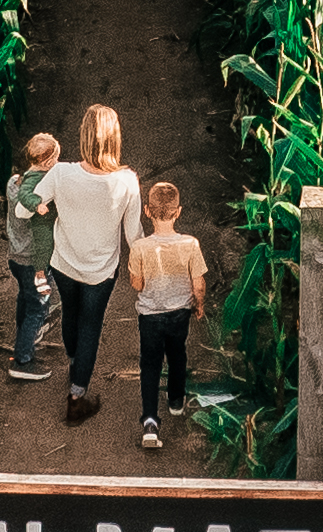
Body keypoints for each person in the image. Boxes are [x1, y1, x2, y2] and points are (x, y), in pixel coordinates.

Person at [43, 104, 141, 425]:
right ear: (115, 139)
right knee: (90, 326)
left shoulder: (60, 173)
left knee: (70, 315)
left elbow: (33, 202)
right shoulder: (127, 181)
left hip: (64, 265)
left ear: (84, 136)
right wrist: (143, 266)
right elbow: (133, 233)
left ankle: (75, 362)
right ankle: (76, 395)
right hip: (100, 273)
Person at [127, 179, 204, 451]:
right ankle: (175, 400)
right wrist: (199, 304)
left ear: (147, 211)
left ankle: (150, 422)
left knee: (149, 364)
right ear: (178, 211)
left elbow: (137, 284)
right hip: (179, 313)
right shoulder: (191, 245)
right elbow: (199, 284)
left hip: (149, 315)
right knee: (177, 354)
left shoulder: (139, 248)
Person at [0, 132, 59, 384]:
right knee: (38, 306)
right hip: (33, 260)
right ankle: (22, 359)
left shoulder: (14, 182)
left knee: (25, 297)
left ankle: (24, 335)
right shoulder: (40, 193)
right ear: (47, 163)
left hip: (15, 256)